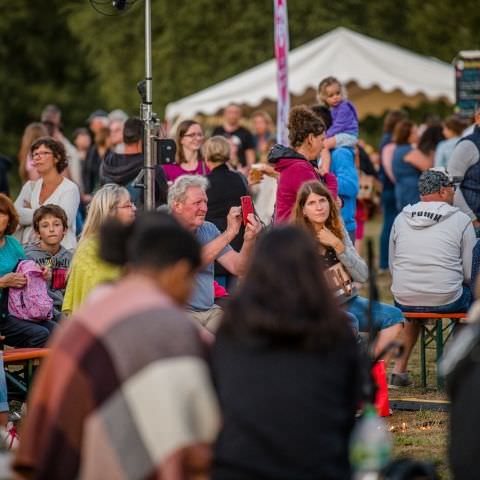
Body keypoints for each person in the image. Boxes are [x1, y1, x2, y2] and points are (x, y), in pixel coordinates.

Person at [13, 211, 220, 479]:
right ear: (179, 271)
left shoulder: (86, 319)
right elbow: (201, 438)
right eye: (191, 279)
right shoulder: (175, 331)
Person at [211, 226, 361, 480]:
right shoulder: (335, 332)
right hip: (315, 465)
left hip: (242, 465)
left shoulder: (234, 328)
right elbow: (348, 407)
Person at [291, 181, 403, 361]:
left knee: (394, 317)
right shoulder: (296, 237)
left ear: (330, 202)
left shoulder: (338, 228)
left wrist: (337, 245)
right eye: (312, 203)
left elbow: (363, 275)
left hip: (348, 299)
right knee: (349, 321)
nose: (319, 207)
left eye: (322, 201)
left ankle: (368, 373)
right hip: (316, 307)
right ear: (303, 210)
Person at [389, 169, 476, 386]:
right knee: (471, 303)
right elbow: (469, 273)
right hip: (447, 298)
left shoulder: (400, 218)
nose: (455, 193)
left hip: (404, 297)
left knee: (414, 306)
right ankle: (458, 367)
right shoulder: (461, 220)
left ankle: (399, 371)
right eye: (453, 188)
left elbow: (393, 266)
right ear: (443, 191)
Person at [169, 175, 261, 332]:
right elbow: (191, 263)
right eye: (197, 203)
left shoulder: (208, 228)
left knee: (246, 335)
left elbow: (238, 267)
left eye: (205, 202)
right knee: (212, 345)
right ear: (177, 205)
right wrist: (229, 233)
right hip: (179, 312)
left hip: (210, 310)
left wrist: (249, 239)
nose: (204, 208)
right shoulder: (166, 229)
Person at [62, 184, 136, 315]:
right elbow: (94, 291)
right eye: (127, 205)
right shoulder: (89, 247)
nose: (133, 209)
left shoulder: (129, 240)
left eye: (132, 204)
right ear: (110, 211)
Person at [0, 194, 56, 348]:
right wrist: (2, 282)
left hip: (19, 309)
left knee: (57, 331)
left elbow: (27, 271)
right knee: (40, 334)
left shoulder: (13, 244)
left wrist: (41, 274)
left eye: (1, 213)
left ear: (9, 219)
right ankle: (30, 370)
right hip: (3, 316)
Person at [14, 137, 80, 250]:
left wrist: (30, 213)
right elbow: (15, 215)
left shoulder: (70, 188)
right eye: (35, 154)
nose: (38, 157)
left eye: (44, 153)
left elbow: (64, 221)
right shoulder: (30, 187)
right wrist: (49, 214)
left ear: (57, 157)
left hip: (61, 256)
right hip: (28, 253)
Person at [267, 105, 325, 224]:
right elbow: (321, 210)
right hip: (294, 237)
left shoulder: (297, 165)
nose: (323, 145)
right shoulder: (300, 168)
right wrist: (330, 179)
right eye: (322, 140)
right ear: (310, 139)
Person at [204, 136, 248, 289]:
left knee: (217, 299)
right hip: (238, 245)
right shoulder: (239, 178)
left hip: (215, 247)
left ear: (206, 155)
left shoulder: (204, 182)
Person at [313, 105, 359, 242]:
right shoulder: (321, 153)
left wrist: (324, 178)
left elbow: (351, 186)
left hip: (342, 227)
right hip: (327, 227)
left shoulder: (340, 153)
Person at [100, 117, 168, 208]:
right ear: (144, 140)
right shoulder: (150, 167)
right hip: (142, 219)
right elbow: (163, 200)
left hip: (110, 219)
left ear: (124, 137)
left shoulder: (107, 162)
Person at [25, 205, 72, 321]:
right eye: (45, 226)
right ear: (37, 232)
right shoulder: (28, 256)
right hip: (40, 313)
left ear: (65, 230)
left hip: (65, 312)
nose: (51, 230)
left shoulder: (70, 258)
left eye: (56, 225)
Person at [378, 110, 408, 271]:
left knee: (390, 225)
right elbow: (391, 170)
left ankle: (386, 262)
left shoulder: (387, 140)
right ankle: (384, 263)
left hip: (389, 188)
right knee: (389, 225)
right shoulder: (389, 141)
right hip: (391, 189)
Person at [448, 105, 480, 236]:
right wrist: (472, 220)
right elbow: (451, 184)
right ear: (478, 117)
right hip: (474, 225)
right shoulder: (467, 145)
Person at [317, 76, 359, 172]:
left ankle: (324, 170)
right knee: (323, 146)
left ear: (342, 92)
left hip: (348, 135)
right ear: (324, 98)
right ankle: (322, 165)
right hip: (344, 135)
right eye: (331, 95)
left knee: (324, 145)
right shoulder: (332, 109)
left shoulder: (343, 107)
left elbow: (338, 126)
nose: (335, 97)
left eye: (337, 93)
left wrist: (325, 135)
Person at [40, 104, 83, 189]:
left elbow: (75, 182)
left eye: (49, 123)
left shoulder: (69, 150)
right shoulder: (37, 147)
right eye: (45, 123)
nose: (47, 126)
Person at [213, 103, 256, 171]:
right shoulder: (217, 131)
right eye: (230, 112)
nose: (233, 115)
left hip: (241, 173)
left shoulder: (246, 133)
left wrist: (247, 170)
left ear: (240, 115)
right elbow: (212, 153)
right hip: (220, 171)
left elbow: (250, 157)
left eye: (236, 112)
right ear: (225, 114)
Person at [391, 119, 420, 211]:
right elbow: (428, 166)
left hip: (402, 189)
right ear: (406, 134)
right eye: (414, 132)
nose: (418, 135)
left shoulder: (398, 149)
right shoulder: (407, 151)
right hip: (411, 192)